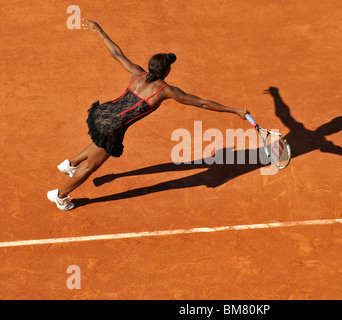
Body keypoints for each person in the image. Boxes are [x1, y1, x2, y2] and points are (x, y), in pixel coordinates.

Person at [47, 19, 249, 211]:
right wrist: (235, 111)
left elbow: (117, 54)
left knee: (99, 144)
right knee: (92, 165)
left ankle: (70, 164)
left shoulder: (138, 73)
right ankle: (60, 195)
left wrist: (100, 31)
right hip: (113, 128)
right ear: (167, 71)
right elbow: (201, 102)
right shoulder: (165, 91)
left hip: (102, 113)